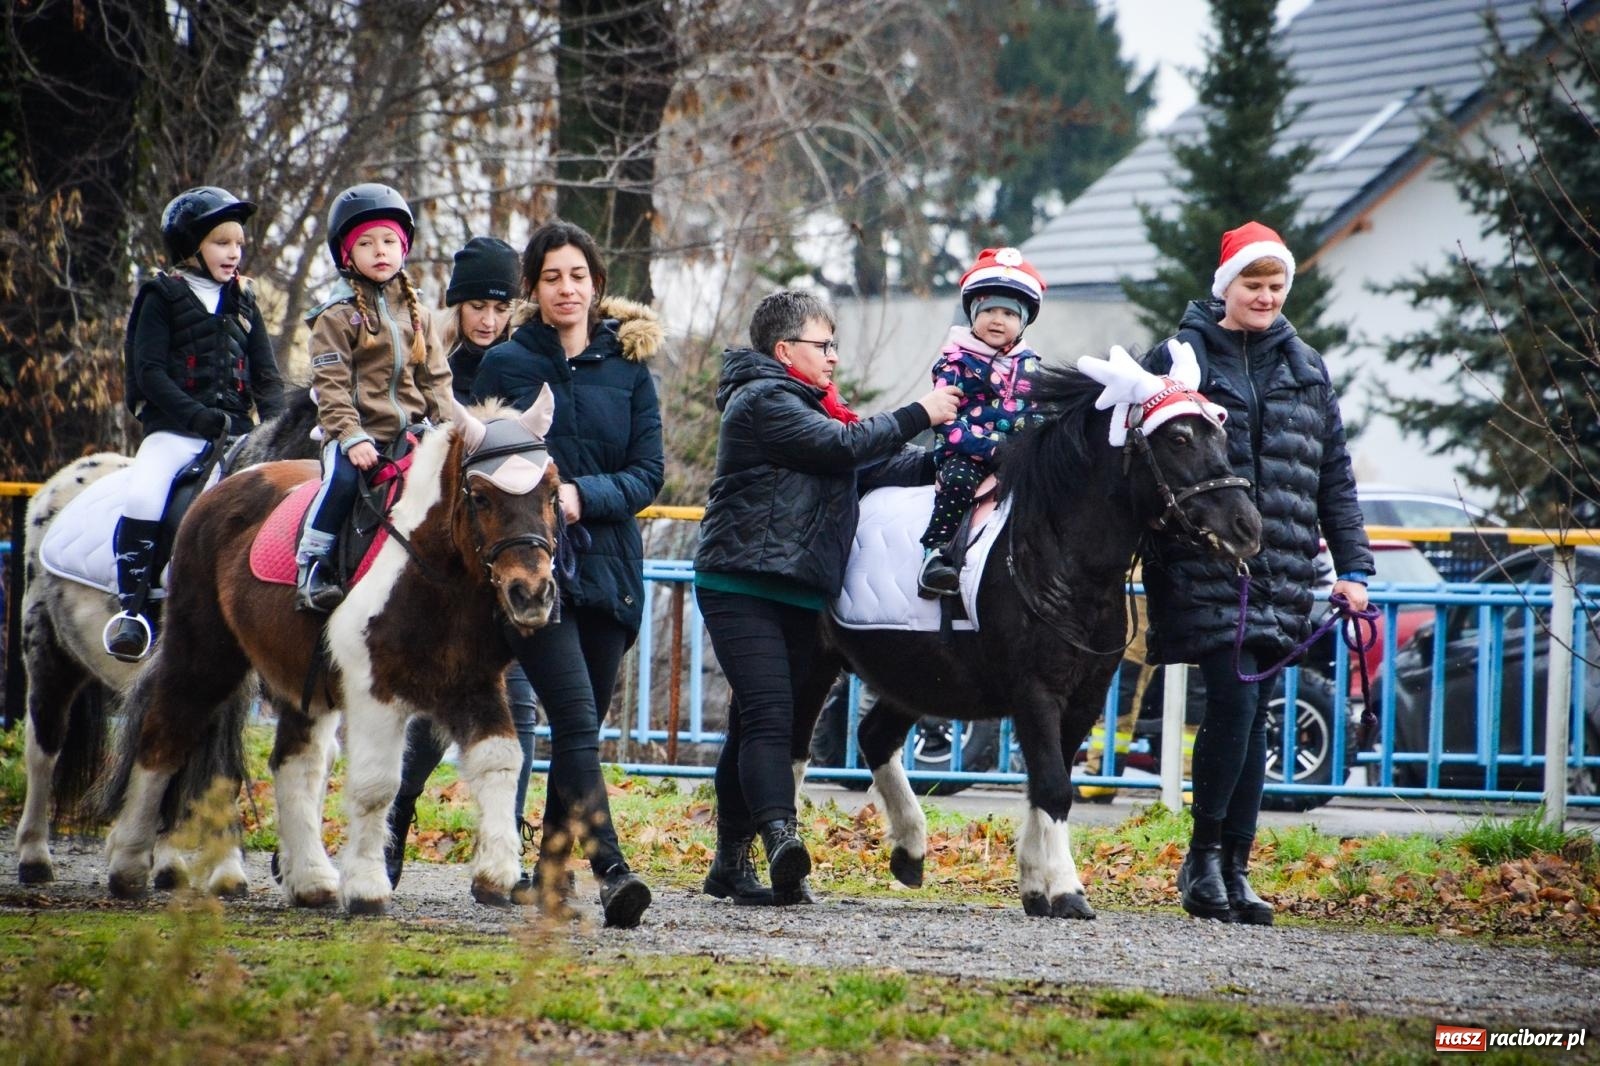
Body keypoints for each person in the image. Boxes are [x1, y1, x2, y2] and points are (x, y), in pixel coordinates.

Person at [694, 290, 962, 905]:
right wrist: (921, 412)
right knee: (771, 716)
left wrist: (963, 457)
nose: (834, 357)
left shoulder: (820, 410)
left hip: (798, 591)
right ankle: (781, 837)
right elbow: (844, 447)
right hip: (740, 584)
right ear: (785, 351)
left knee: (750, 724)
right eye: (824, 345)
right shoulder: (763, 401)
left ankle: (729, 865)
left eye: (834, 345)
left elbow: (884, 464)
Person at [1139, 221, 1372, 926]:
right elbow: (1138, 449)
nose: (1265, 296)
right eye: (1253, 284)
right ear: (1226, 287)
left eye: (1275, 285)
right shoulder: (1180, 357)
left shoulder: (1307, 367)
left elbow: (1334, 475)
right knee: (1236, 702)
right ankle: (1203, 858)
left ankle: (1236, 866)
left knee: (1257, 713)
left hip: (1286, 565)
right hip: (1205, 559)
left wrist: (1354, 566)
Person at [470, 220, 663, 927]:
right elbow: (478, 464)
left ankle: (550, 874)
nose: (566, 289)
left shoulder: (630, 369)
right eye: (551, 277)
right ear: (533, 287)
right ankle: (612, 869)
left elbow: (649, 472)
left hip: (610, 569)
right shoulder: (505, 366)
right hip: (530, 572)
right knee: (578, 719)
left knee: (582, 729)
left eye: (578, 275)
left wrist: (585, 496)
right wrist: (544, 505)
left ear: (597, 284)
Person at [383, 235, 536, 888]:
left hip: (499, 563)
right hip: (432, 560)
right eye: (478, 305)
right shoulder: (427, 354)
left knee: (515, 706)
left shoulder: (520, 364)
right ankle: (394, 819)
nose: (489, 320)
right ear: (456, 303)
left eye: (501, 307)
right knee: (424, 710)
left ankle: (507, 846)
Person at [105, 186, 285, 662]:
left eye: (238, 244)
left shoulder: (244, 301)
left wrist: (278, 431)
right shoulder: (160, 295)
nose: (234, 253)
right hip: (174, 432)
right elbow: (149, 372)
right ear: (191, 247)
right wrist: (196, 415)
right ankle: (132, 610)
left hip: (237, 436)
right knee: (145, 495)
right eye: (222, 243)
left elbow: (267, 378)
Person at [295, 182, 451, 613]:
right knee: (342, 482)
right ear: (347, 255)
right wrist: (350, 436)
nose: (379, 250)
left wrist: (448, 429)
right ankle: (312, 565)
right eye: (365, 243)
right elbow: (331, 386)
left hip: (414, 435)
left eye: (388, 241)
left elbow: (437, 379)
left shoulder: (419, 314)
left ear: (403, 248)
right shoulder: (335, 317)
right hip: (357, 437)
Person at [917, 247, 1047, 597]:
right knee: (958, 482)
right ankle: (936, 554)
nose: (997, 320)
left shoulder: (1031, 366)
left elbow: (1037, 415)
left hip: (1016, 456)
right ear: (973, 314)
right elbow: (944, 419)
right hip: (966, 452)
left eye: (1009, 313)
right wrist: (987, 448)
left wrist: (1029, 447)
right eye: (989, 310)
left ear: (1023, 322)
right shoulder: (955, 363)